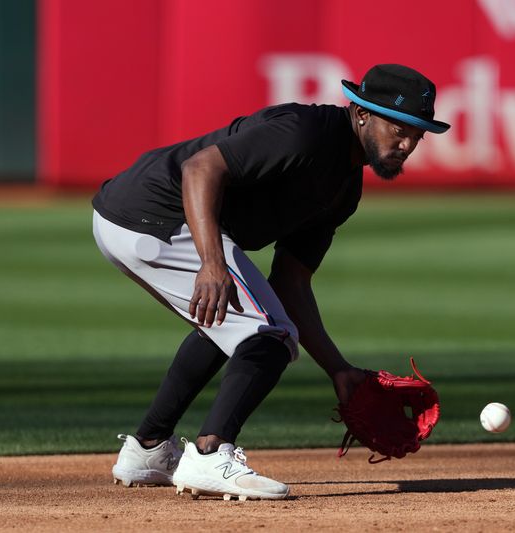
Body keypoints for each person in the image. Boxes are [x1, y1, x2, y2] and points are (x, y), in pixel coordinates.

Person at [92, 64, 450, 500]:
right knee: (270, 336)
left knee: (235, 323)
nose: (408, 144)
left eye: (418, 133)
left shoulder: (343, 190)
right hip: (154, 215)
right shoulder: (306, 133)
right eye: (398, 127)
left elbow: (291, 281)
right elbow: (200, 170)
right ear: (361, 114)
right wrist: (211, 263)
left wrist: (337, 368)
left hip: (138, 218)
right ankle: (210, 454)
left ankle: (148, 448)